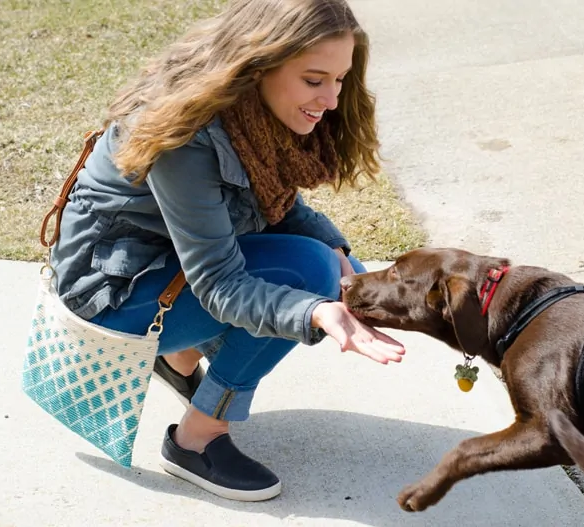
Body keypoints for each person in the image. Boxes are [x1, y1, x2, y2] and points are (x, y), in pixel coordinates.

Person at [50, 0, 405, 503]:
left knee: (326, 264)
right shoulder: (186, 136)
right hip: (112, 295)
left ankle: (179, 354)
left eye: (340, 79)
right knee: (310, 279)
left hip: (161, 264)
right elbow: (219, 285)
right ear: (260, 63)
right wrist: (318, 308)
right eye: (313, 80)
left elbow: (274, 204)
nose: (330, 98)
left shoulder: (249, 110)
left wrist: (342, 254)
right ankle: (196, 442)